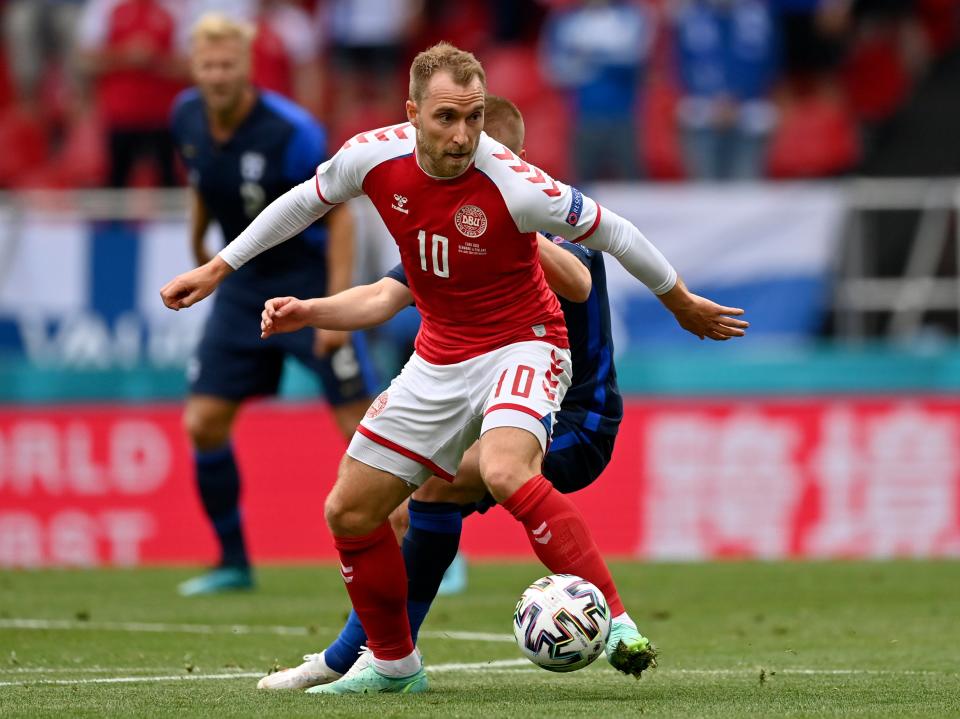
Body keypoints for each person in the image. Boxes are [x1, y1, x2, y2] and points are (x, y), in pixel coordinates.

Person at [160, 42, 748, 694]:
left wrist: (680, 300)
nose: (464, 135)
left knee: (493, 470)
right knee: (351, 509)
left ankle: (616, 623)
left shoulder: (518, 191)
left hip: (539, 366)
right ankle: (389, 664)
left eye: (473, 119)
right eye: (448, 118)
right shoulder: (377, 160)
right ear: (412, 113)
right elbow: (314, 211)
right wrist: (229, 272)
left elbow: (602, 249)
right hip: (442, 356)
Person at [254, 93, 659, 691]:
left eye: (487, 154)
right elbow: (386, 295)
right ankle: (375, 661)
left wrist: (516, 227)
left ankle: (617, 621)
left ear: (516, 160)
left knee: (444, 485)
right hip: (488, 398)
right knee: (400, 500)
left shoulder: (551, 222)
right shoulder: (450, 227)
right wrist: (309, 311)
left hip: (577, 416)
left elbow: (577, 282)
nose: (468, 160)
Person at [170, 13, 377, 596]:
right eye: (207, 65)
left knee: (363, 428)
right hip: (239, 286)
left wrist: (334, 307)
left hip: (307, 282)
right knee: (204, 422)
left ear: (247, 66)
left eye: (227, 64)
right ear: (195, 67)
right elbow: (201, 183)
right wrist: (199, 251)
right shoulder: (184, 115)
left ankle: (429, 534)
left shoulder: (292, 131)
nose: (217, 75)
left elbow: (340, 216)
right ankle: (233, 561)